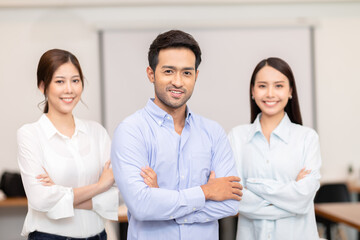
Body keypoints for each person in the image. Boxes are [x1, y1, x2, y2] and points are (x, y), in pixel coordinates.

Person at [111, 30, 242, 240]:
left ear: (196, 76)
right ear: (151, 73)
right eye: (169, 71)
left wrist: (162, 201)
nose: (178, 82)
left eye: (187, 73)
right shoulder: (131, 131)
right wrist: (206, 192)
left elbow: (230, 203)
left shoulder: (213, 132)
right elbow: (142, 206)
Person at [17, 49, 119, 240]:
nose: (69, 89)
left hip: (98, 236)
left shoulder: (97, 132)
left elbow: (118, 195)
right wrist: (100, 186)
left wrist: (61, 193)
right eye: (59, 81)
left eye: (75, 80)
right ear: (42, 86)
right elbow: (40, 199)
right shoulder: (30, 134)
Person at [228, 57, 322, 240]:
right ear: (253, 91)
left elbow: (302, 201)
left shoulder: (307, 138)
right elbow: (235, 200)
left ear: (290, 91)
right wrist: (290, 193)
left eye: (278, 86)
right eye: (262, 86)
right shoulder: (237, 137)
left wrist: (252, 186)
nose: (270, 93)